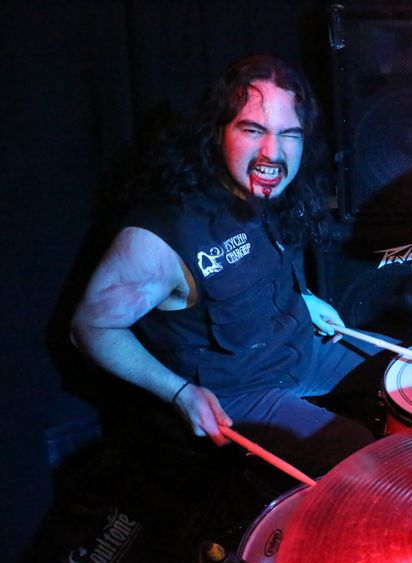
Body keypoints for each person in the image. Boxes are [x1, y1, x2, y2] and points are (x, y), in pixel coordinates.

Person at [70, 54, 385, 476]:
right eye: (253, 130)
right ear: (217, 131)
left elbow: (264, 270)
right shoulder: (160, 236)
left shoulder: (272, 191)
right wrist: (180, 393)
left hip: (297, 350)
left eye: (289, 134)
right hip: (238, 391)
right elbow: (90, 328)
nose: (273, 152)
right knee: (365, 460)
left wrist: (305, 300)